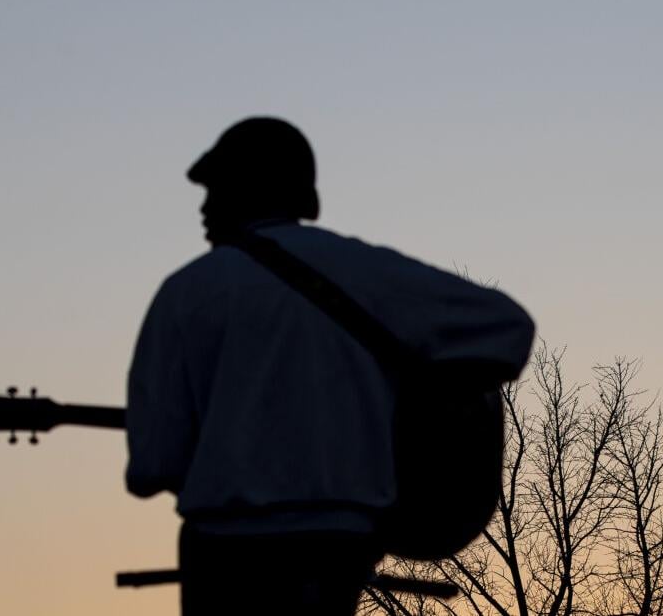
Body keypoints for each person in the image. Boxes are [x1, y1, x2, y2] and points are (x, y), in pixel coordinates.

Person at [125, 117, 535, 615]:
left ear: (246, 189)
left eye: (215, 189)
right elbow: (507, 328)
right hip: (337, 546)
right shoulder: (363, 271)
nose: (204, 208)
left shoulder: (184, 294)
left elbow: (153, 465)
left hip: (223, 552)